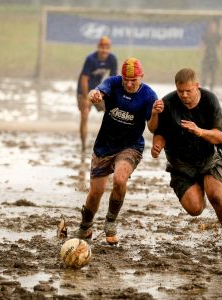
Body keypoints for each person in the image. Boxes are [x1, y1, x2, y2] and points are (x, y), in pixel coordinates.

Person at [151, 68, 222, 255]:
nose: (185, 95)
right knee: (195, 209)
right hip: (181, 165)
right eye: (181, 92)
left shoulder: (210, 100)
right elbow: (159, 132)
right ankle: (198, 186)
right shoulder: (168, 103)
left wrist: (200, 131)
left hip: (209, 159)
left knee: (216, 196)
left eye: (189, 91)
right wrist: (157, 146)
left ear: (197, 86)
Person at [75, 57, 164, 245]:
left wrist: (155, 113)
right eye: (127, 80)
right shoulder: (114, 83)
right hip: (104, 145)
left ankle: (110, 221)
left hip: (130, 146)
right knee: (96, 192)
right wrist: (94, 95)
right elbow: (97, 90)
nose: (130, 84)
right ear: (121, 77)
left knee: (120, 179)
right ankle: (86, 225)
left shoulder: (149, 95)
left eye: (134, 80)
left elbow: (153, 128)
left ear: (142, 77)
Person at [77, 36, 118, 151]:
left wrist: (112, 97)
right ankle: (83, 145)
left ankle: (109, 141)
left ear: (109, 48)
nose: (104, 50)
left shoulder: (112, 59)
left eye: (107, 47)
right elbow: (84, 79)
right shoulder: (91, 59)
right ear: (98, 47)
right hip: (84, 90)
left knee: (112, 112)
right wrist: (85, 98)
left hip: (98, 90)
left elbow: (113, 79)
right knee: (84, 115)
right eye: (102, 47)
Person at [201, 19, 222, 91]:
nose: (212, 27)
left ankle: (212, 89)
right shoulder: (206, 35)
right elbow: (203, 45)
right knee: (204, 74)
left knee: (213, 75)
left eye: (213, 26)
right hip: (206, 58)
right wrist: (200, 54)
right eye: (211, 26)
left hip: (214, 58)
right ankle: (203, 90)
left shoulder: (218, 35)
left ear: (216, 27)